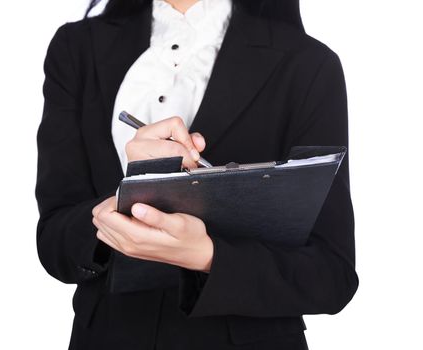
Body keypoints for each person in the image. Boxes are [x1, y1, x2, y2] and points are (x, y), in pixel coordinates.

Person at [35, 0, 359, 349]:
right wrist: (122, 205)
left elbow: (330, 275)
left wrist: (207, 255)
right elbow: (54, 242)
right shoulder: (77, 48)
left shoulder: (308, 64)